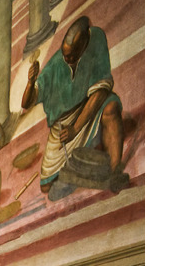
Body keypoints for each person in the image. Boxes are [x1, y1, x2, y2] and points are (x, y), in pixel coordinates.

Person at [22, 16, 128, 200]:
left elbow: (100, 92)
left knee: (111, 108)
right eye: (65, 54)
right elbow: (26, 103)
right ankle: (89, 166)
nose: (67, 58)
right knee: (47, 186)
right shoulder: (56, 63)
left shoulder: (96, 39)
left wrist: (76, 128)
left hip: (89, 108)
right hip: (64, 123)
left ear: (84, 45)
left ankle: (114, 171)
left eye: (71, 55)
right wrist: (30, 83)